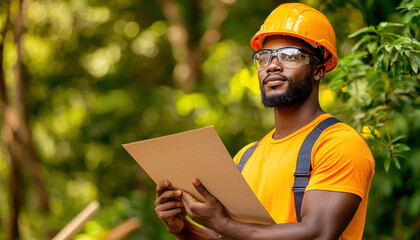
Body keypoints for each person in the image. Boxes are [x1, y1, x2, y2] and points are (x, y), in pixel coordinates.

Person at [154, 3, 375, 239]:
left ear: (318, 70)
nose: (272, 65)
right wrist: (183, 228)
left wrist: (221, 222)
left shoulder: (339, 144)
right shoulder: (245, 157)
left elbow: (319, 233)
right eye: (264, 57)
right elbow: (227, 235)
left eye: (290, 56)